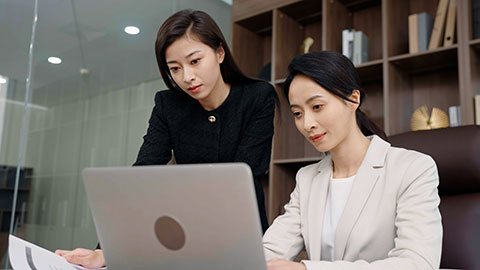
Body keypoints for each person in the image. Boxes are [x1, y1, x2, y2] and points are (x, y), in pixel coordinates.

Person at [55, 9, 276, 268]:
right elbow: (141, 178)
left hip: (239, 237)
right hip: (183, 239)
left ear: (219, 52)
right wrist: (107, 251)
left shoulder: (258, 97)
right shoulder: (168, 105)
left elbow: (245, 178)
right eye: (175, 68)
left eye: (195, 61)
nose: (186, 77)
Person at [262, 51, 442, 270]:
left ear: (353, 99)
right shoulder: (307, 178)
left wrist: (307, 269)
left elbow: (418, 263)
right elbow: (270, 250)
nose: (307, 123)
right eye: (298, 113)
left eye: (317, 106)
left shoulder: (413, 168)